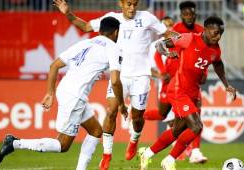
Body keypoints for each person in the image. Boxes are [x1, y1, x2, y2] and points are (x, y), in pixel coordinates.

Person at [53, 0, 175, 169]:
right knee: (111, 111)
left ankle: (134, 139)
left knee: (138, 118)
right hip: (120, 74)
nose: (132, 8)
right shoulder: (111, 19)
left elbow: (167, 33)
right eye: (129, 4)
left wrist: (183, 41)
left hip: (141, 76)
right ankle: (107, 154)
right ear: (121, 3)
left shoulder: (147, 18)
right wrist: (67, 13)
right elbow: (86, 27)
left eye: (135, 4)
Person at [0, 16, 128, 170]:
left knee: (96, 131)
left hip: (65, 89)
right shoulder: (113, 48)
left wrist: (50, 93)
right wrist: (121, 104)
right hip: (75, 96)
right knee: (63, 144)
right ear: (116, 32)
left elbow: (54, 65)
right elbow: (115, 81)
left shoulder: (86, 42)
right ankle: (15, 143)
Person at [139, 16, 237, 170]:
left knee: (177, 131)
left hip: (193, 92)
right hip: (178, 89)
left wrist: (226, 85)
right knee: (197, 126)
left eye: (220, 34)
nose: (217, 37)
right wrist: (167, 53)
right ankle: (170, 160)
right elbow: (160, 45)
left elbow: (218, 63)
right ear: (205, 30)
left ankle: (147, 154)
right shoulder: (188, 38)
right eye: (215, 33)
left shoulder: (215, 49)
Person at [143, 1, 207, 163]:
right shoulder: (176, 31)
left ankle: (194, 152)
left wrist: (204, 72)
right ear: (181, 15)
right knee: (165, 115)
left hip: (192, 82)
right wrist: (164, 69)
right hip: (174, 81)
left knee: (190, 120)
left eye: (191, 13)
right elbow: (159, 49)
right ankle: (137, 116)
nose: (189, 17)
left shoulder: (201, 31)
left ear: (195, 14)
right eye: (186, 14)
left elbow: (206, 56)